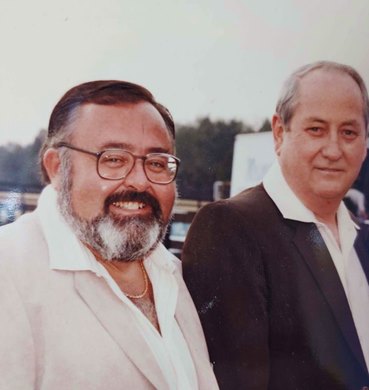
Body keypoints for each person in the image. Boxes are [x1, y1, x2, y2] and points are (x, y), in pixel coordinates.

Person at [0, 80, 218, 389]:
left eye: (157, 163)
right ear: (57, 168)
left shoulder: (172, 273)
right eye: (114, 159)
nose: (140, 182)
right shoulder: (9, 271)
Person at [182, 61, 369, 389]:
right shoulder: (230, 229)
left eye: (349, 132)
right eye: (316, 129)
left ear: (365, 143)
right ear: (280, 133)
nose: (334, 149)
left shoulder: (362, 239)